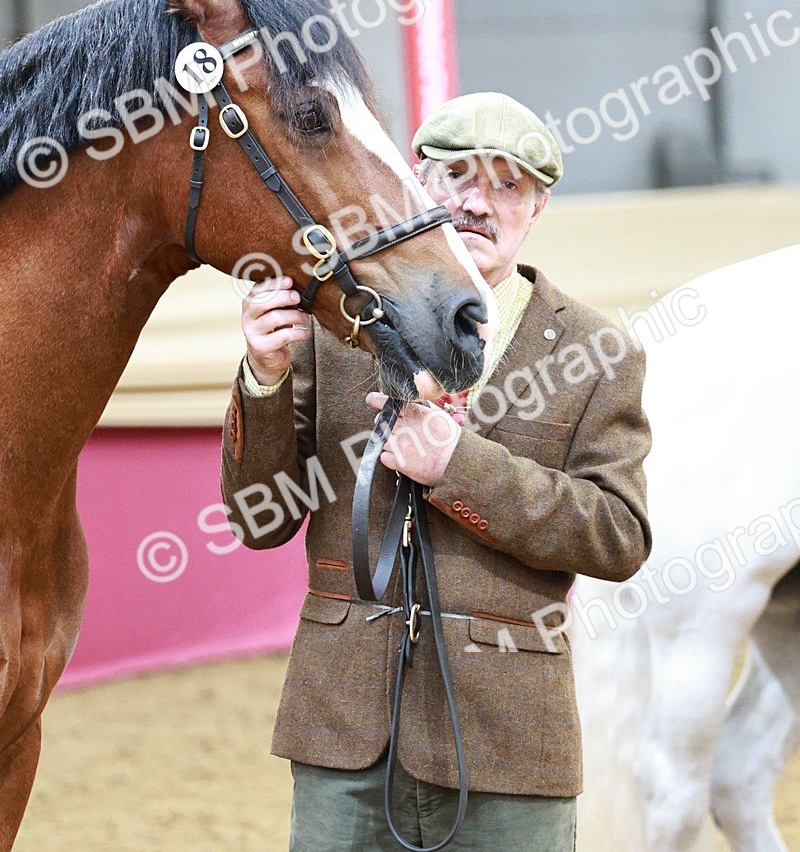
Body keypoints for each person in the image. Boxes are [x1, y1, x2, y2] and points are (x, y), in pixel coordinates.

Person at [220, 91, 651, 852]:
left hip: (512, 749)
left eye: (505, 185)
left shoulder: (597, 353)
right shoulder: (337, 327)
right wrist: (263, 373)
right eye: (454, 177)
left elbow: (617, 538)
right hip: (344, 732)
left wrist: (462, 467)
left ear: (539, 205)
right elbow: (260, 520)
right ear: (414, 182)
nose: (475, 203)